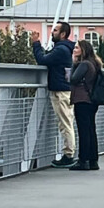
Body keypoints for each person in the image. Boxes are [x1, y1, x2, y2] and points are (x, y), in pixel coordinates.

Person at [32, 22, 77, 168]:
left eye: (55, 30)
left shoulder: (61, 50)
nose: (52, 33)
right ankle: (68, 152)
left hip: (61, 90)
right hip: (65, 88)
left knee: (65, 123)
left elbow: (43, 60)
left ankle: (68, 154)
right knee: (66, 122)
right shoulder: (66, 49)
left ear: (63, 34)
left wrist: (36, 44)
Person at [69, 40, 101, 171]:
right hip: (92, 101)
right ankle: (93, 160)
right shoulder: (94, 63)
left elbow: (73, 79)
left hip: (82, 100)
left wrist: (74, 63)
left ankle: (83, 160)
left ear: (83, 50)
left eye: (77, 48)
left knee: (83, 131)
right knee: (90, 129)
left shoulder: (84, 64)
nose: (74, 50)